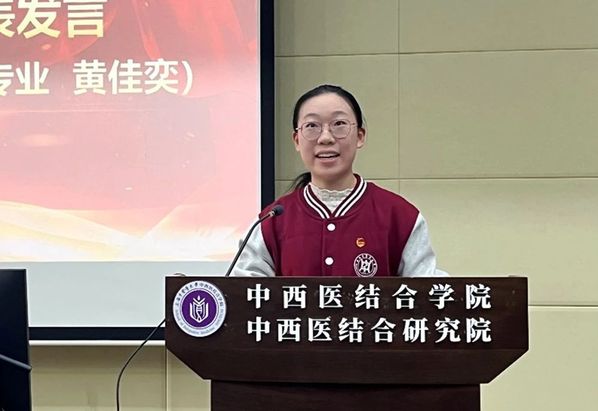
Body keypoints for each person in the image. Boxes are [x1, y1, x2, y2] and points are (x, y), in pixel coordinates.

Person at [233, 84, 447, 277]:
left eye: (339, 124)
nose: (326, 138)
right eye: (312, 126)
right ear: (297, 140)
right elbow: (242, 296)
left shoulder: (400, 216)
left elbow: (427, 294)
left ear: (360, 136)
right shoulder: (270, 222)